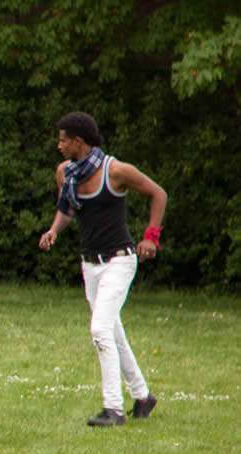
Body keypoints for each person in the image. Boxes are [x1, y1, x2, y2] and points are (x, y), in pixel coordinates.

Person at [37, 112, 164, 426]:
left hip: (119, 261)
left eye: (63, 140)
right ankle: (143, 396)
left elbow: (158, 193)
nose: (59, 146)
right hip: (90, 264)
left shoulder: (115, 170)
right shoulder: (65, 173)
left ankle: (113, 410)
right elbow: (66, 209)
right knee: (112, 331)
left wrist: (151, 237)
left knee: (100, 330)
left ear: (78, 141)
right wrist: (53, 230)